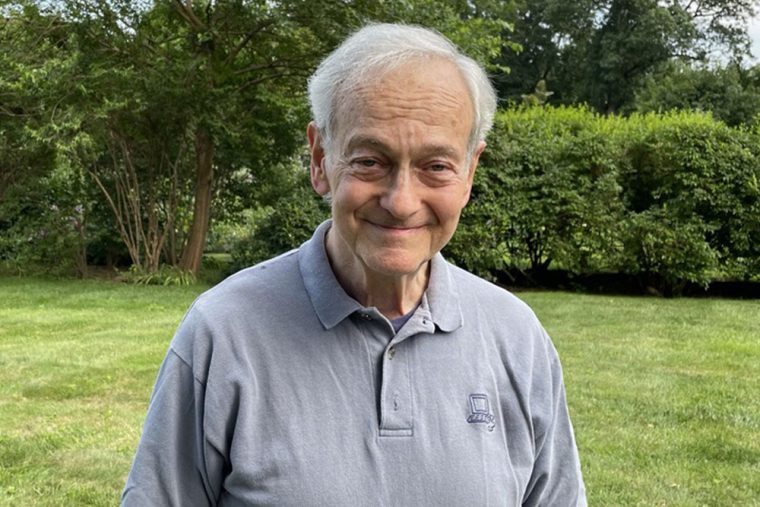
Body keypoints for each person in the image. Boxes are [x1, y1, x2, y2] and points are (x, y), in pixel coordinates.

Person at [121, 23, 586, 506]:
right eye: (370, 161)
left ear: (470, 172)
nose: (401, 201)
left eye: (437, 166)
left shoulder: (517, 339)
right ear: (320, 158)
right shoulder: (223, 333)